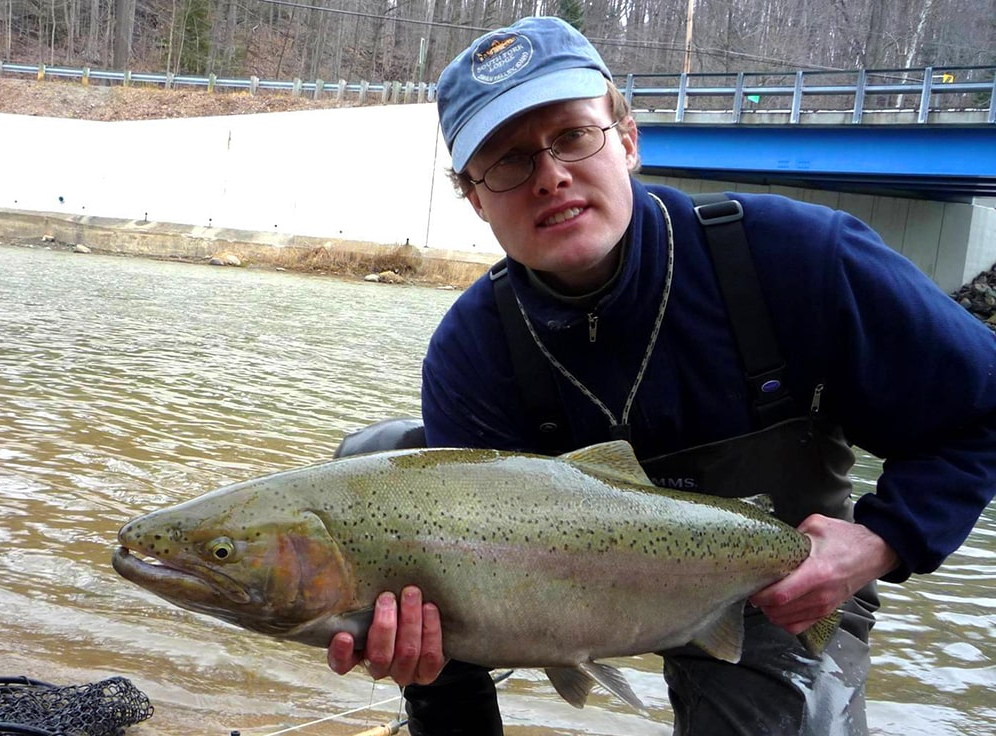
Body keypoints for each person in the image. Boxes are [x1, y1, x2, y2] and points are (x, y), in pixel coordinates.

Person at [327, 15, 996, 735]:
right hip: (552, 591)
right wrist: (422, 659)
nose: (550, 175)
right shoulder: (471, 354)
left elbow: (984, 408)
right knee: (378, 478)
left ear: (628, 138)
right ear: (474, 196)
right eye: (509, 161)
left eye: (572, 137)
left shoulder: (800, 260)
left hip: (778, 590)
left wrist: (880, 541)